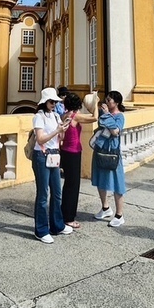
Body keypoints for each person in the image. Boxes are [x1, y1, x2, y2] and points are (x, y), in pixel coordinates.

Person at [32, 87, 72, 243]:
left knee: (57, 192)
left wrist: (63, 128)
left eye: (55, 101)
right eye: (51, 101)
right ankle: (41, 230)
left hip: (54, 155)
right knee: (43, 195)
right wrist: (57, 131)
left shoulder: (56, 116)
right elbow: (40, 139)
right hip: (41, 156)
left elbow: (59, 137)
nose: (54, 104)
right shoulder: (38, 117)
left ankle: (57, 225)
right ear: (44, 102)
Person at [60, 92, 96, 229]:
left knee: (68, 184)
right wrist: (96, 103)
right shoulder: (75, 117)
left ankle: (65, 212)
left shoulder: (65, 116)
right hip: (73, 152)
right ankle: (69, 218)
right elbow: (95, 118)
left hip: (66, 151)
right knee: (73, 186)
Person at [91, 90, 127, 227]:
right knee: (100, 180)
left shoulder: (119, 116)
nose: (107, 102)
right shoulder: (103, 113)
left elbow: (115, 132)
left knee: (117, 183)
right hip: (101, 149)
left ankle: (119, 214)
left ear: (116, 103)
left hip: (112, 152)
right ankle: (105, 208)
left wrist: (107, 115)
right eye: (106, 99)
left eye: (109, 100)